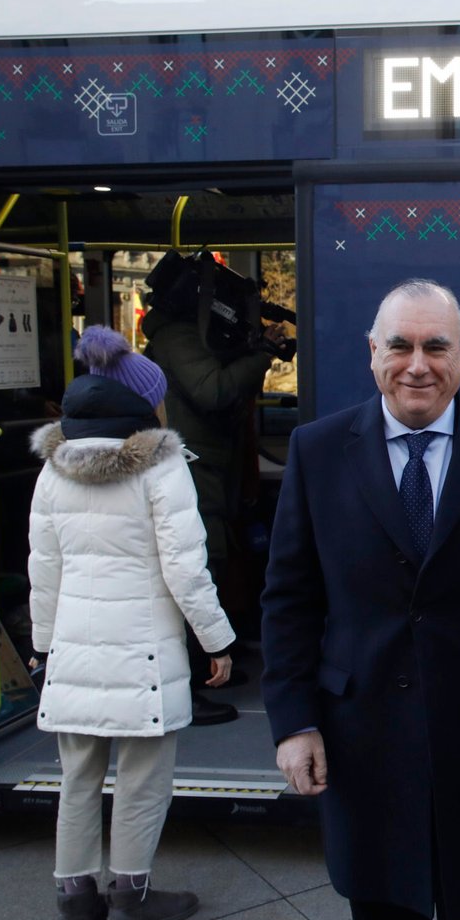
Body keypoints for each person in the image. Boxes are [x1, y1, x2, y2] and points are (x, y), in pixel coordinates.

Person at [259, 279, 460, 920]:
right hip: (359, 738)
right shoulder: (317, 450)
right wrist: (294, 720)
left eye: (436, 346)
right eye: (400, 345)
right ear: (373, 353)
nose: (417, 363)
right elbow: (289, 597)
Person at [26, 325, 235, 920]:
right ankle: (130, 899)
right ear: (144, 403)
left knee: (78, 778)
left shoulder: (52, 469)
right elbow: (185, 568)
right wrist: (216, 641)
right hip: (144, 652)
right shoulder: (161, 468)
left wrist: (44, 646)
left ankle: (73, 902)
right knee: (144, 779)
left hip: (73, 650)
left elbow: (44, 569)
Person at [143, 260, 290, 725]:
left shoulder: (186, 336)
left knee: (212, 565)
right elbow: (213, 390)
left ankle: (206, 670)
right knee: (196, 570)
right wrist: (261, 353)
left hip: (206, 470)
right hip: (191, 471)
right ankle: (186, 687)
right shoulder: (176, 338)